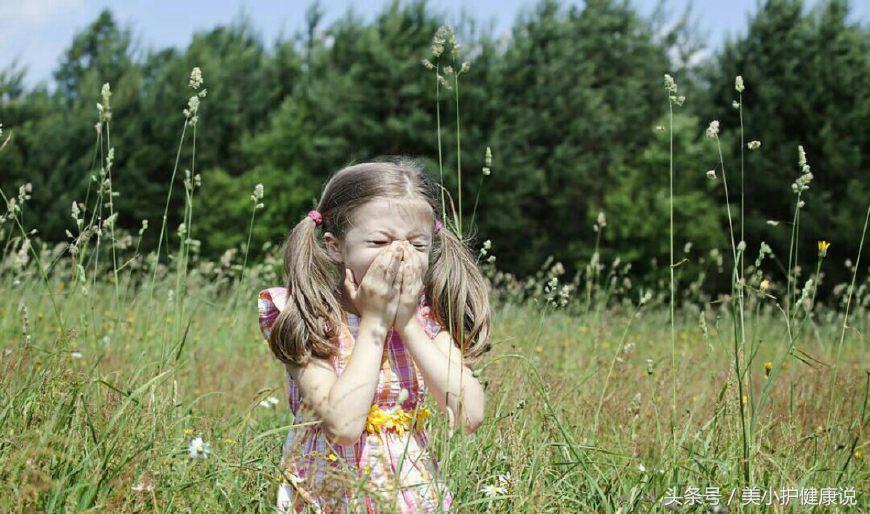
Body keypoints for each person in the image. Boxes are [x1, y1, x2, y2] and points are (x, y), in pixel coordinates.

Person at [257, 157, 493, 513]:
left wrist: (407, 323)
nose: (399, 255)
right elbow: (345, 425)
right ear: (336, 246)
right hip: (331, 494)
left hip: (411, 495)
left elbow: (468, 415)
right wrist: (375, 323)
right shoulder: (310, 318)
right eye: (380, 241)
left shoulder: (428, 322)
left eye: (417, 245)